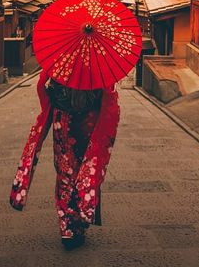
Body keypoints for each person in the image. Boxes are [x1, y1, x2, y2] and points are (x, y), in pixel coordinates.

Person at [9, 68, 120, 250]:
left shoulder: (61, 60)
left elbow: (43, 87)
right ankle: (82, 219)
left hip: (64, 118)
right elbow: (109, 94)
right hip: (90, 119)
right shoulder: (99, 62)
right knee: (88, 166)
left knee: (65, 170)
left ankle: (67, 226)